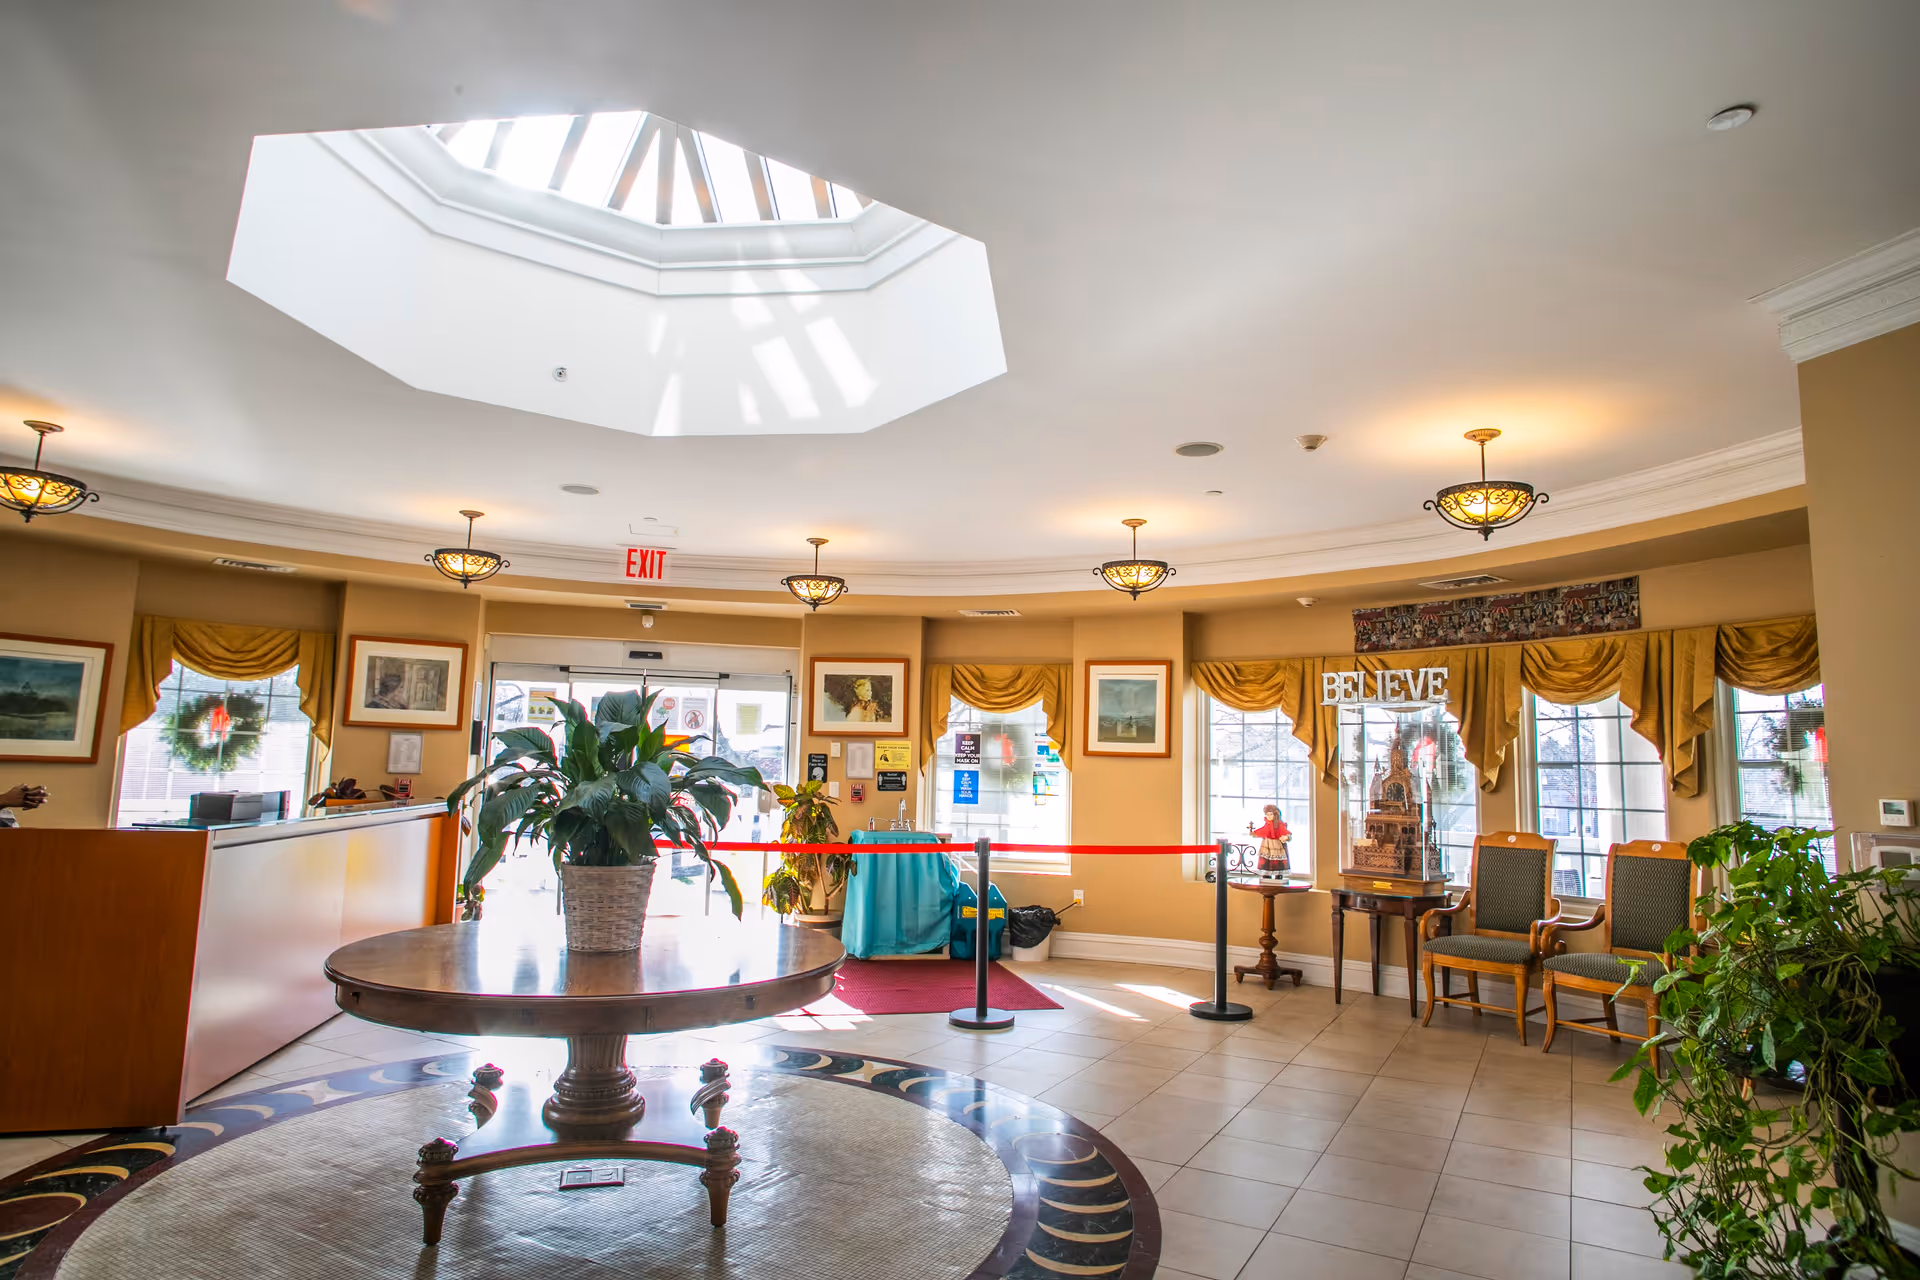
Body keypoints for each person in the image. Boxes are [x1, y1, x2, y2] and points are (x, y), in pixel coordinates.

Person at [1249, 804, 1291, 879]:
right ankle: (1266, 873)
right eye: (1267, 814)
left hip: (1276, 844)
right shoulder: (1267, 824)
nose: (1269, 816)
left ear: (1275, 814)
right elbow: (1263, 830)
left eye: (1271, 814)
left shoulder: (1280, 824)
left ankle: (1278, 874)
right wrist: (1255, 833)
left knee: (1277, 860)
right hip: (1267, 844)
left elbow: (1285, 832)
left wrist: (1285, 837)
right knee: (1266, 859)